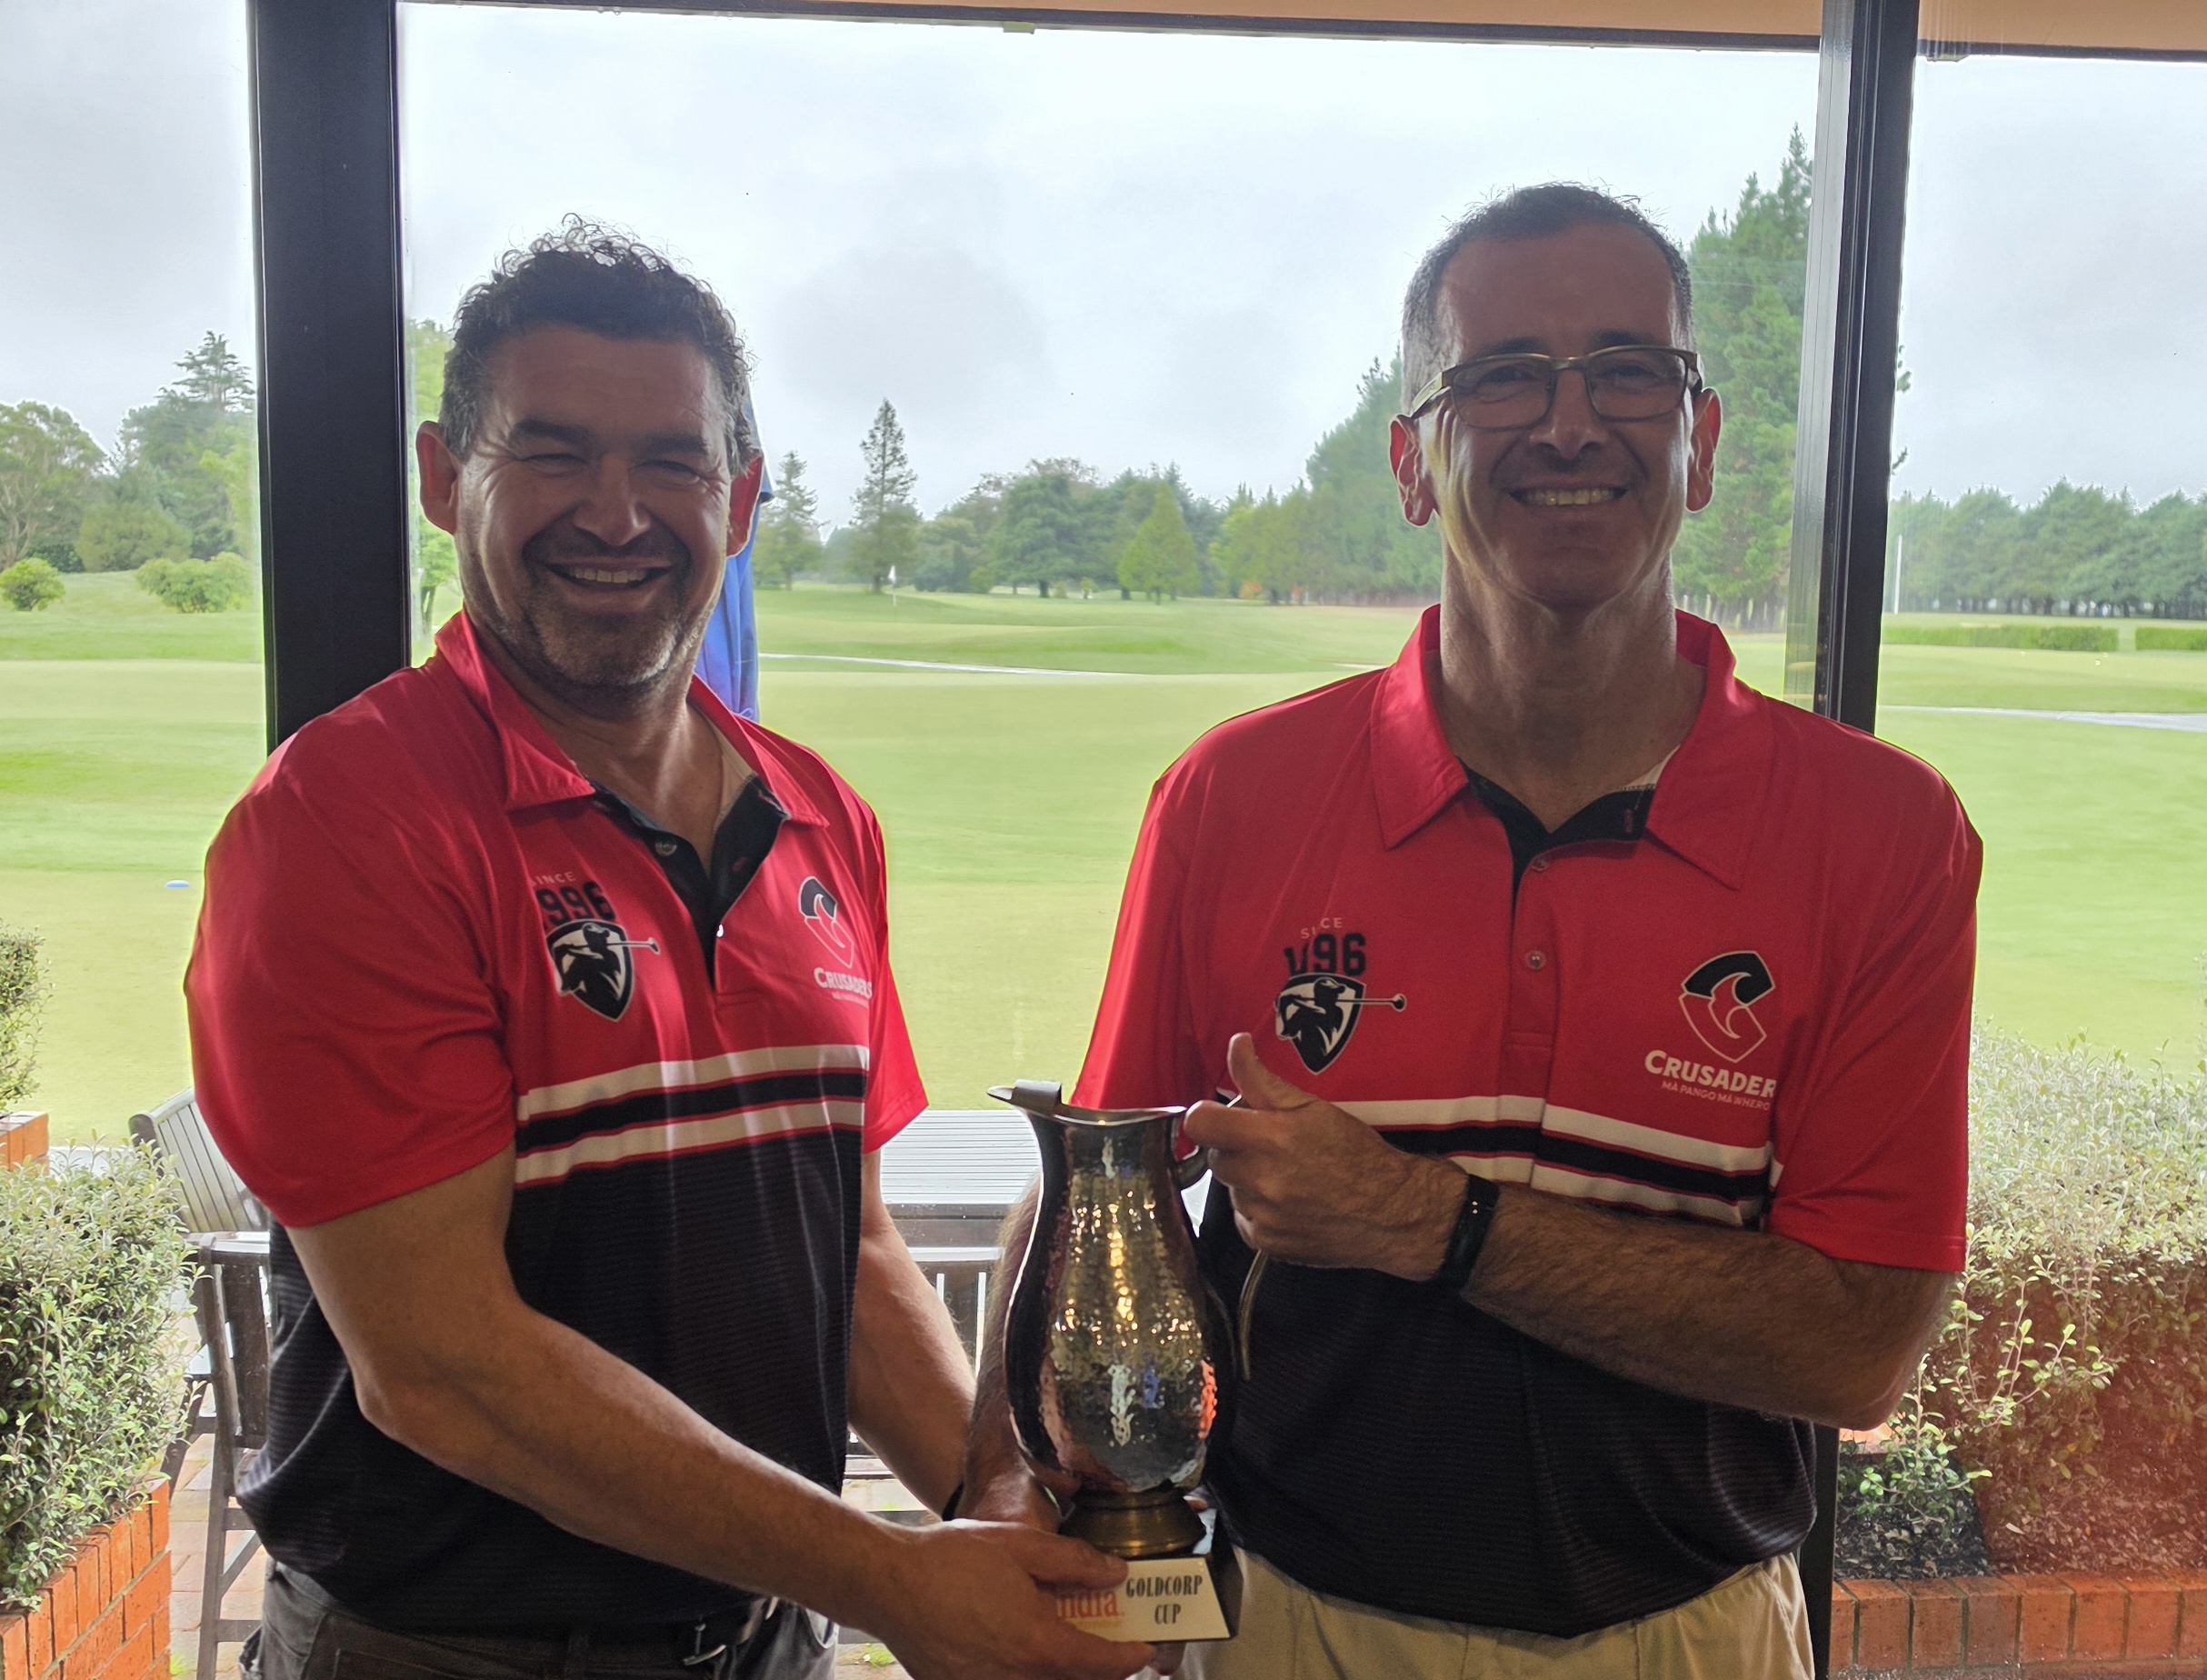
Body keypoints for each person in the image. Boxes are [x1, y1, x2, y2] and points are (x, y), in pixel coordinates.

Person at [962, 185, 1981, 1678]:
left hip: (1695, 1639)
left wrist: (1425, 1222)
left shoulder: (1884, 834)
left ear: (1700, 443)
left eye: (1628, 371)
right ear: (1413, 463)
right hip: (1295, 1627)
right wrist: (1004, 1488)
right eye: (1501, 378)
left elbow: (1856, 1346)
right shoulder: (1234, 797)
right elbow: (1096, 1190)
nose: (1569, 425)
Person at [186, 222, 1151, 1680]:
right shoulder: (348, 824)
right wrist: (896, 1579)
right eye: (554, 454)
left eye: (672, 463)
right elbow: (441, 1368)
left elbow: (850, 1254)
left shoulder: (821, 819)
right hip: (455, 1655)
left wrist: (990, 1512)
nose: (617, 513)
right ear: (445, 476)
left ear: (742, 499)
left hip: (767, 1633)